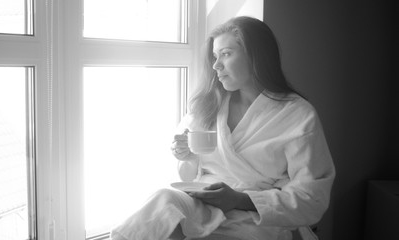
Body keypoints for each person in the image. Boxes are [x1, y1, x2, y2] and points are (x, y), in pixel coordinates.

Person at [110, 16, 335, 240]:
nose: (216, 65)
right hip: (201, 205)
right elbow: (187, 173)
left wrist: (239, 199)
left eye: (226, 54)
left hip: (257, 216)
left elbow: (311, 197)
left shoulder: (297, 115)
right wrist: (188, 156)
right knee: (162, 203)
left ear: (256, 56)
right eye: (215, 56)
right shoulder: (208, 105)